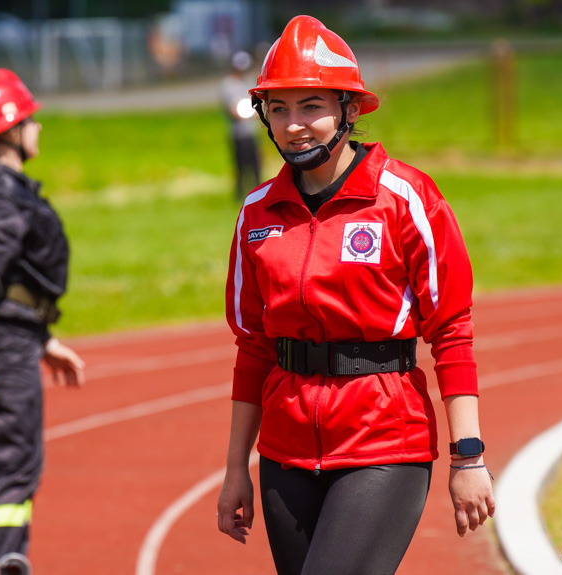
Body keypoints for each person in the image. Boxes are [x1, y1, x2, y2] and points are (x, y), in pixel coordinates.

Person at [216, 16, 494, 575]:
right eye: (279, 109)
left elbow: (452, 330)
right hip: (285, 453)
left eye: (311, 106)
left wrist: (469, 457)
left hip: (385, 444)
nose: (294, 125)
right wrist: (234, 470)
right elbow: (252, 346)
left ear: (348, 109)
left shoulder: (405, 197)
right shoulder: (256, 215)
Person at [0, 68, 85, 575]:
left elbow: (8, 276)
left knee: (19, 462)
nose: (38, 127)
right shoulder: (2, 194)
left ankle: (7, 559)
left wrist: (41, 336)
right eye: (30, 119)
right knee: (14, 464)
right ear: (9, 130)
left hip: (12, 332)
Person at [219, 50, 262, 200]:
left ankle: (259, 195)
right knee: (240, 168)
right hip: (238, 134)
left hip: (252, 132)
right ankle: (239, 196)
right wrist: (252, 113)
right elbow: (236, 111)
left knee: (257, 167)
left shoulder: (248, 82)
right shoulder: (228, 85)